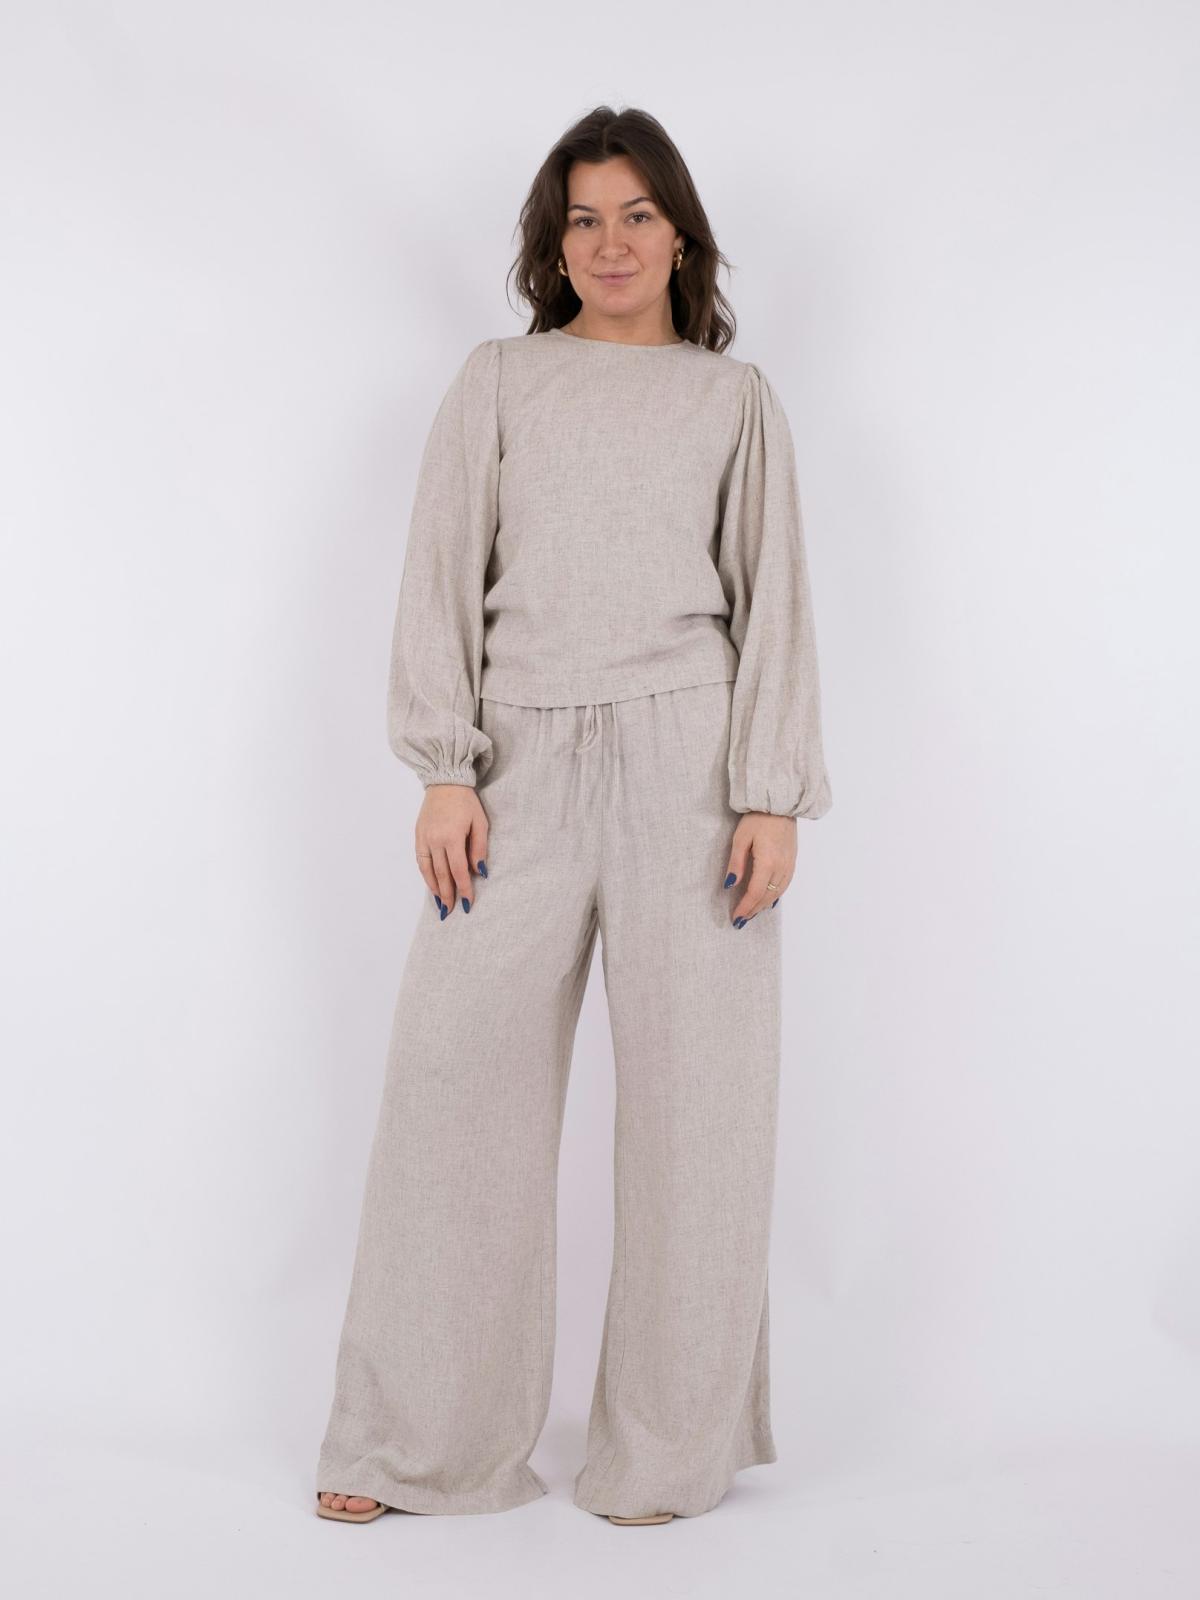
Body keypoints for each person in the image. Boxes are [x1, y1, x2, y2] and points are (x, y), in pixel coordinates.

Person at [315, 104, 833, 1527]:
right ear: (553, 246)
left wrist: (771, 793)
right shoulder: (498, 382)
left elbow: (775, 596)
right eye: (583, 220)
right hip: (519, 767)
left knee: (699, 1120)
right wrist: (445, 766)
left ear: (682, 237)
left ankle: (666, 1456)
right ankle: (417, 1445)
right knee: (453, 1099)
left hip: (692, 770)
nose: (611, 243)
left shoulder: (734, 402)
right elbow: (439, 570)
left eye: (637, 215)